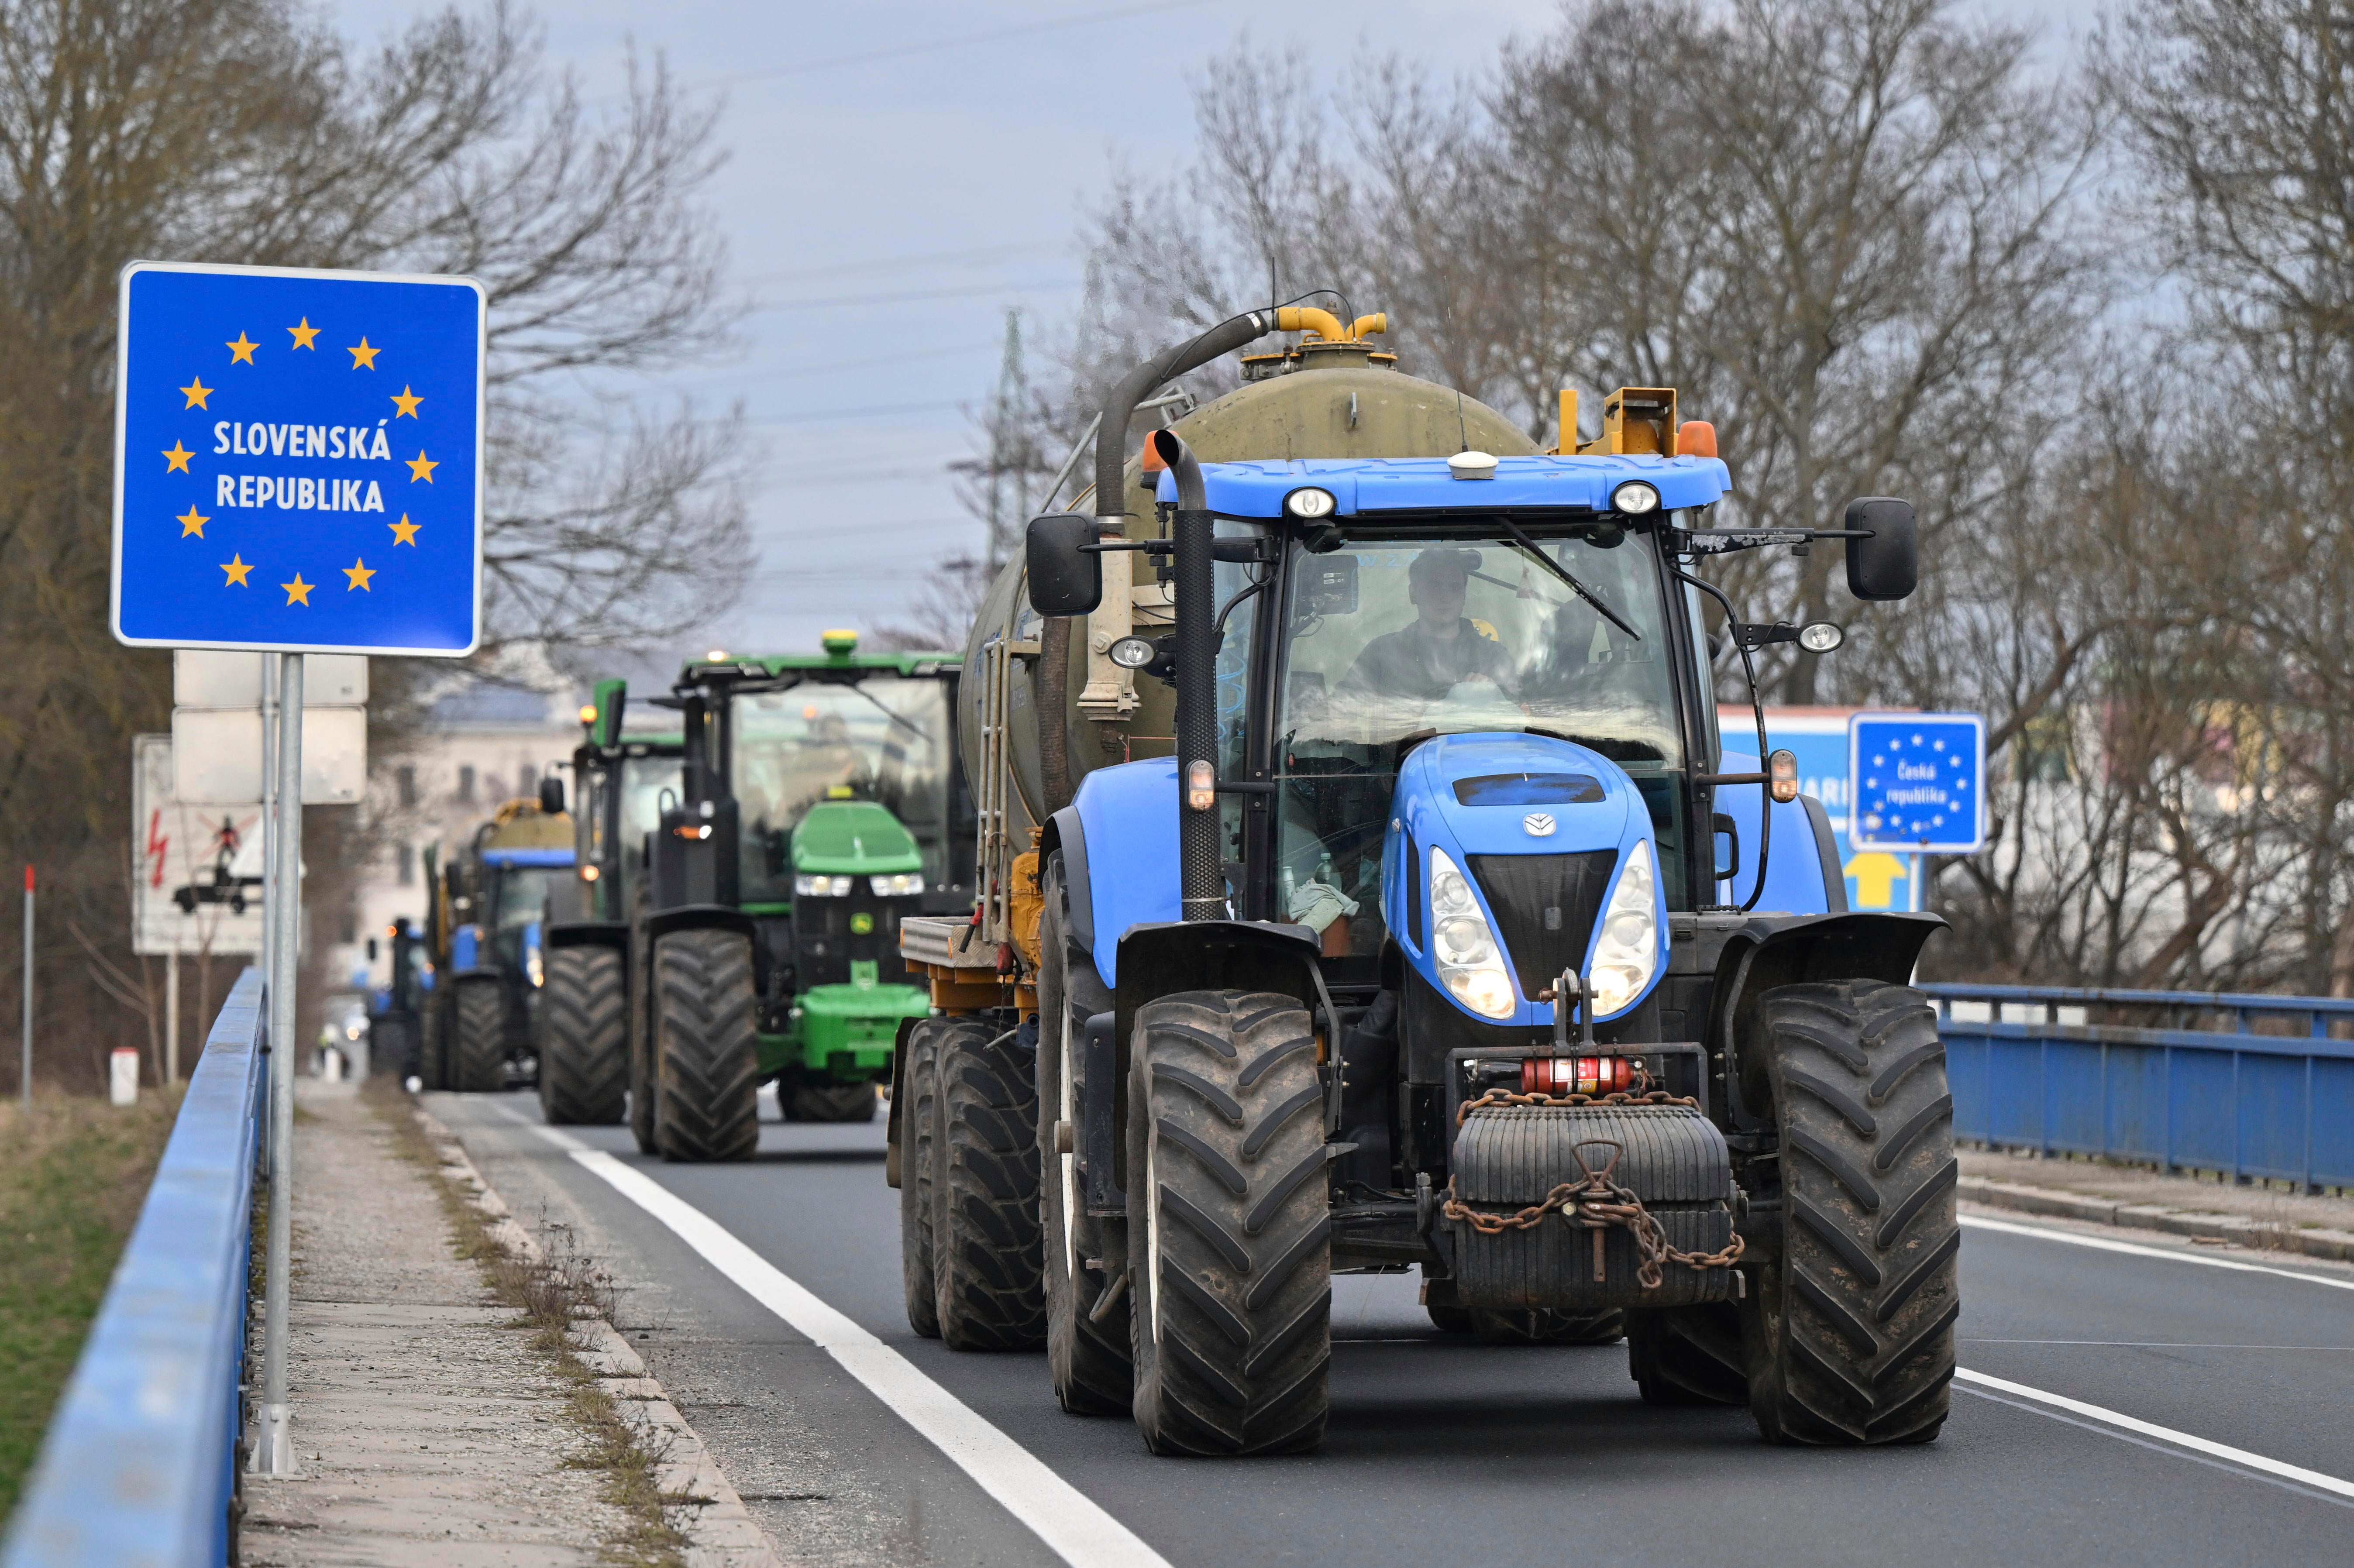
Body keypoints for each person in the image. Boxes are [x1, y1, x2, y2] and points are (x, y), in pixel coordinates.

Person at [1336, 547, 1514, 701]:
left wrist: (1493, 695)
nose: (1445, 597)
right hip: (1404, 741)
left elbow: (1517, 718)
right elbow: (1343, 707)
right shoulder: (1382, 653)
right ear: (1413, 594)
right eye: (1434, 586)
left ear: (1464, 596)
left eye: (1455, 588)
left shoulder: (1492, 656)